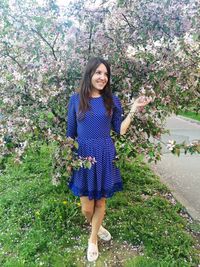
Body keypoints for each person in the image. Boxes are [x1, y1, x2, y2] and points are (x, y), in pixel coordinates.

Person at [66, 57, 151, 262]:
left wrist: (133, 110)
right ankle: (97, 225)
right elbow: (70, 134)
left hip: (104, 154)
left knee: (101, 201)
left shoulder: (111, 100)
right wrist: (69, 160)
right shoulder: (76, 100)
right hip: (83, 157)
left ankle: (93, 239)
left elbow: (119, 130)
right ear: (89, 74)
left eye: (106, 74)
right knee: (87, 206)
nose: (103, 77)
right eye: (98, 73)